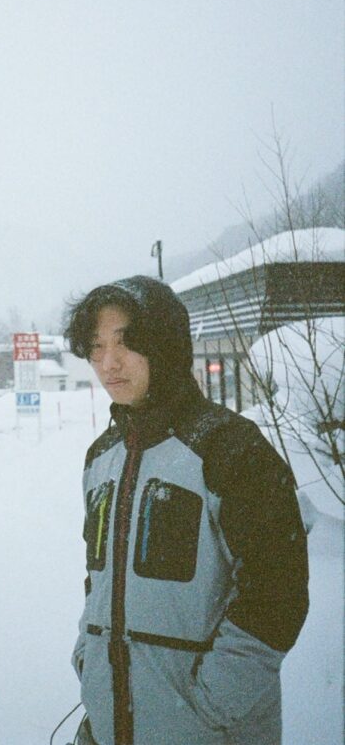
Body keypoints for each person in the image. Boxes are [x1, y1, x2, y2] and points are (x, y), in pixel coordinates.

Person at [64, 275, 309, 745]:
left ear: (166, 346)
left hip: (208, 729)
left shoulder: (230, 450)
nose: (108, 363)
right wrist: (88, 661)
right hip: (109, 726)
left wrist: (210, 706)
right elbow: (99, 579)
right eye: (96, 347)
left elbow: (277, 593)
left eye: (125, 342)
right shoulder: (102, 458)